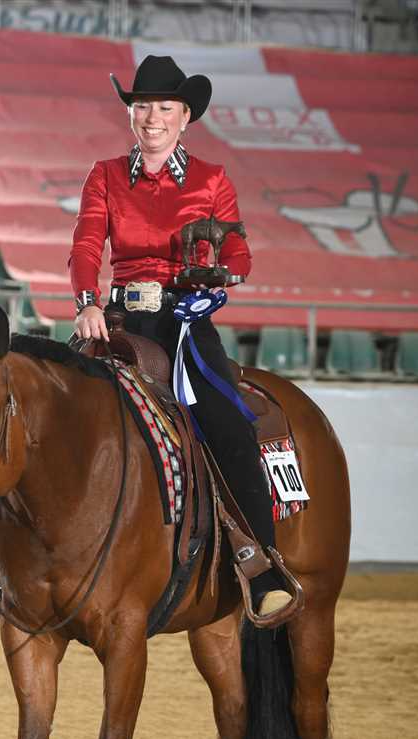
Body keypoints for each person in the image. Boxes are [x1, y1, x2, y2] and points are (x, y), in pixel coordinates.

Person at [69, 55, 290, 620]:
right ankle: (10, 562)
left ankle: (261, 565)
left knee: (227, 423)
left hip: (185, 321)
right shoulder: (104, 174)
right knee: (50, 411)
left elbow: (237, 250)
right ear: (131, 114)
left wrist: (220, 281)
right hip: (117, 320)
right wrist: (88, 302)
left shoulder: (213, 179)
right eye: (142, 107)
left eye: (164, 107)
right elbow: (86, 246)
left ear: (185, 116)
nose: (152, 118)